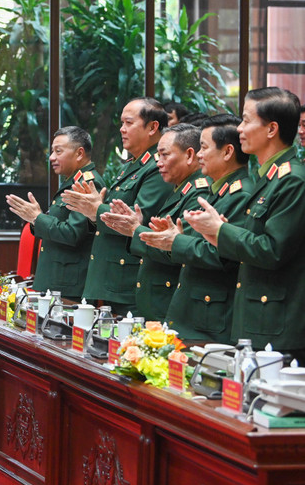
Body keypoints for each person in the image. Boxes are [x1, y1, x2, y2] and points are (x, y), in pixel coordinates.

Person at [186, 87, 305, 361]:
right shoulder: (269, 177)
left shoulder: (292, 180)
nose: (240, 129)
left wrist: (220, 230)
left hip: (277, 325)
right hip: (256, 319)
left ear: (271, 129)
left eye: (247, 120)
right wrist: (217, 231)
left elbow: (272, 249)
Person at [140, 115, 253, 343]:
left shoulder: (242, 194)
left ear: (227, 152)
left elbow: (223, 254)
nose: (199, 155)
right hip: (194, 310)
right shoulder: (219, 191)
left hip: (210, 316)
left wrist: (175, 241)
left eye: (203, 148)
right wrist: (176, 236)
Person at [61, 97, 172, 315]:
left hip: (127, 279)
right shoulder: (132, 165)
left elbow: (137, 219)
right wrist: (93, 213)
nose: (122, 129)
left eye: (129, 123)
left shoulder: (157, 167)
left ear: (152, 127)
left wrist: (95, 210)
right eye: (121, 123)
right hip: (108, 277)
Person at [100, 124, 209, 320]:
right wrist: (137, 226)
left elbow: (176, 247)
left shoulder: (199, 193)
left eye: (165, 155)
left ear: (190, 155)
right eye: (158, 155)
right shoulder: (180, 188)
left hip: (170, 299)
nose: (158, 162)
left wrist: (136, 229)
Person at [5, 126, 105, 300]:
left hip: (69, 285)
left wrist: (37, 218)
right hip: (56, 280)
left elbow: (72, 233)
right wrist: (37, 219)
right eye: (52, 151)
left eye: (58, 151)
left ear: (79, 153)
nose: (52, 157)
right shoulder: (73, 180)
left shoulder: (87, 184)